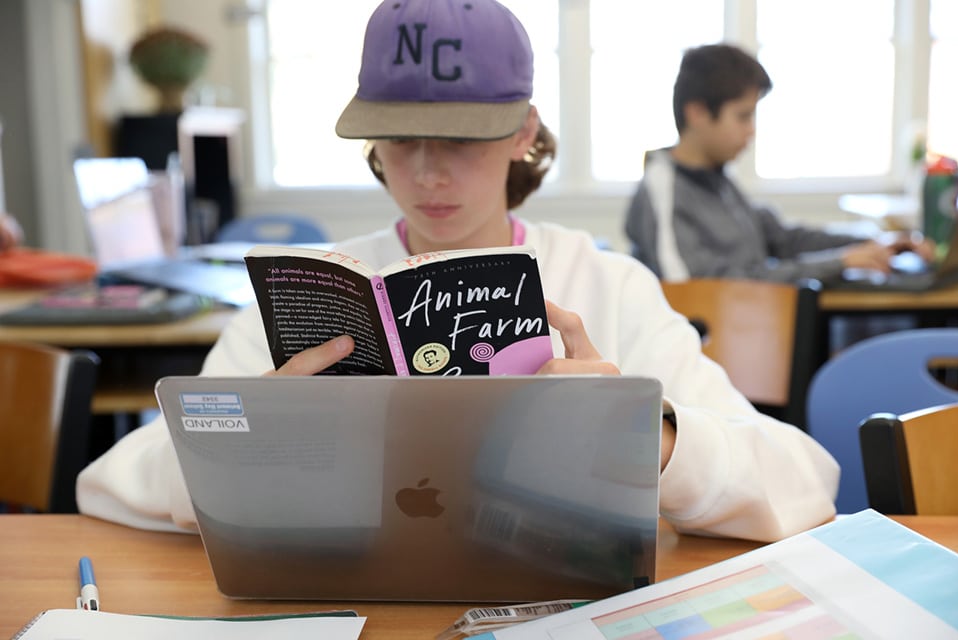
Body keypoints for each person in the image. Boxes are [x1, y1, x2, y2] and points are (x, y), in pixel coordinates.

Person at [77, 0, 839, 542]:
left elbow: (803, 478)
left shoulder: (607, 287)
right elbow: (109, 482)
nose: (427, 172)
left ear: (523, 131)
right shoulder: (311, 296)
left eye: (461, 139)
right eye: (399, 138)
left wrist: (655, 440)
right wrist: (246, 445)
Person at [624, 43, 933, 283]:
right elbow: (691, 286)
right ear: (697, 113)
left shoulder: (718, 182)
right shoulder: (664, 186)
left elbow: (784, 239)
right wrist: (838, 263)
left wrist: (876, 242)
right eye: (743, 116)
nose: (751, 130)